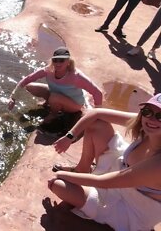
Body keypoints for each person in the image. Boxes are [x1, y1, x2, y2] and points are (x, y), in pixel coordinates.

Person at [47, 93, 161, 230]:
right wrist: (69, 137)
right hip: (120, 170)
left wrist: (61, 175)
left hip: (129, 207)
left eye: (160, 116)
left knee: (57, 184)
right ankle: (82, 169)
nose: (152, 119)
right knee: (97, 124)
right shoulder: (144, 123)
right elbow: (96, 113)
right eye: (148, 111)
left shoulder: (158, 164)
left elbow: (105, 182)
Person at [7, 47, 103, 128]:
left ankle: (53, 113)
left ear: (68, 61)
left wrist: (96, 114)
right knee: (30, 86)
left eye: (61, 60)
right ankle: (51, 103)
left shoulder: (76, 77)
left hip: (75, 105)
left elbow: (97, 93)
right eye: (55, 60)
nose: (57, 63)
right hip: (57, 95)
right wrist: (13, 97)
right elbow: (27, 79)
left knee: (54, 98)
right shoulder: (48, 70)